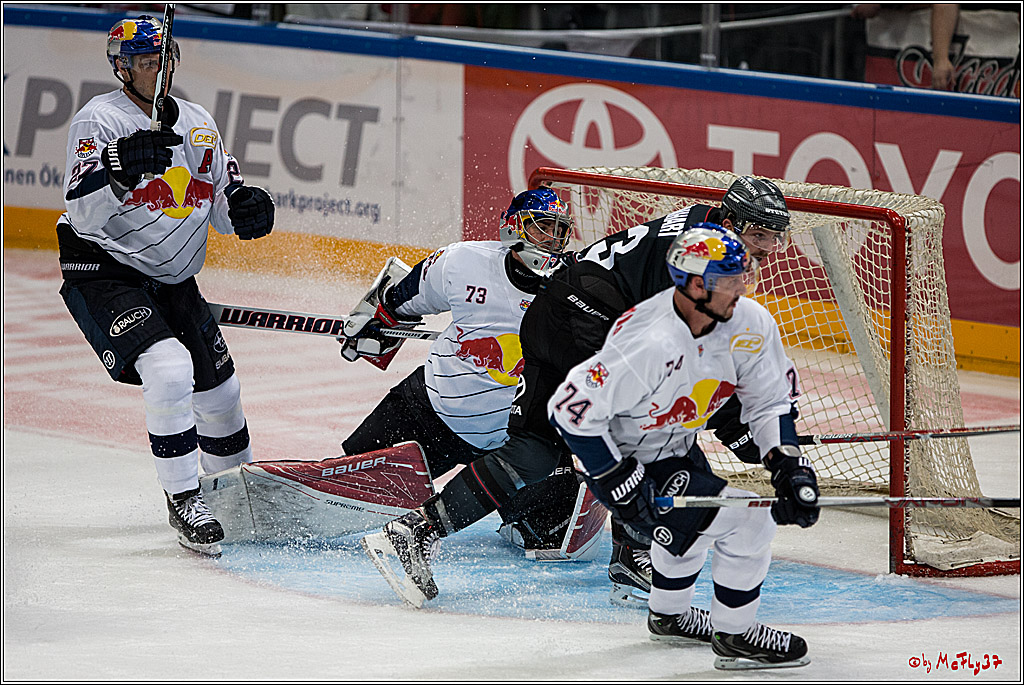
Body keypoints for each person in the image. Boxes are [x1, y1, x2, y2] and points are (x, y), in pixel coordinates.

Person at [360, 176, 794, 608]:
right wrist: (742, 432)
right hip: (584, 324)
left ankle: (414, 533)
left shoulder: (706, 231)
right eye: (758, 235)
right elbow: (691, 363)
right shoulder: (703, 257)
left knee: (534, 453)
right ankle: (633, 557)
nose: (766, 249)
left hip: (553, 312)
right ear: (730, 220)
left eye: (776, 239)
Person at [550, 225, 818, 670]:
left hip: (676, 443)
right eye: (731, 280)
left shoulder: (750, 323)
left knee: (690, 535)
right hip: (627, 458)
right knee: (749, 521)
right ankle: (736, 635)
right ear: (696, 285)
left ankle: (669, 617)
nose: (743, 288)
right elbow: (569, 409)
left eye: (743, 276)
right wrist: (614, 478)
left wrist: (788, 466)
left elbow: (769, 401)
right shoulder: (648, 341)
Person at [57, 16, 275, 556]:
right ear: (122, 67)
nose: (158, 72)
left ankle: (232, 491)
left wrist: (249, 208)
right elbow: (82, 213)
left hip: (174, 277)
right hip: (106, 270)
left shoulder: (199, 123)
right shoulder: (100, 120)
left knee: (222, 393)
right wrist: (120, 166)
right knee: (170, 369)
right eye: (146, 63)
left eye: (163, 60)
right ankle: (184, 498)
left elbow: (223, 202)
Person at [339, 188, 588, 560]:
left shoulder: (575, 288)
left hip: (514, 444)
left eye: (559, 230)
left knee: (554, 536)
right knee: (348, 487)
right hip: (428, 411)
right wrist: (376, 322)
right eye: (542, 227)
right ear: (513, 228)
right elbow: (402, 298)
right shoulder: (463, 262)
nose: (552, 239)